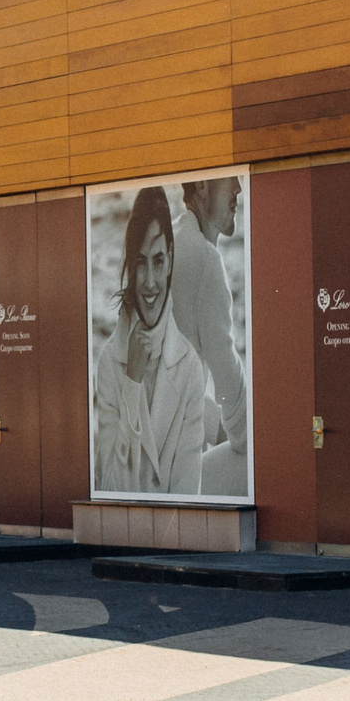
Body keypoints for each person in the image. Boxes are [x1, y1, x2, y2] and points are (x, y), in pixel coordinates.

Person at [92, 185, 212, 495]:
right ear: (130, 266)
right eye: (141, 262)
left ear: (171, 260)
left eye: (157, 261)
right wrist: (132, 382)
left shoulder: (189, 369)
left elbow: (186, 497)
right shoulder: (109, 363)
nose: (148, 282)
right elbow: (109, 487)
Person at [174, 177, 250, 497]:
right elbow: (232, 393)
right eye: (230, 179)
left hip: (136, 473)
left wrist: (221, 429)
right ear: (202, 185)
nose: (238, 189)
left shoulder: (167, 243)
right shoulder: (205, 259)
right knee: (261, 459)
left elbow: (171, 387)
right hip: (172, 483)